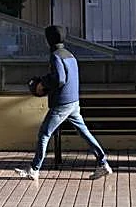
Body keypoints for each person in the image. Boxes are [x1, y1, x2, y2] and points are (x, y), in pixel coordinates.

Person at [15, 25, 112, 183]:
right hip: (74, 102)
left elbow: (60, 78)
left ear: (48, 40)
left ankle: (34, 169)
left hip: (62, 103)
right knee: (84, 133)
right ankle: (103, 163)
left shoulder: (55, 56)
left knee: (44, 134)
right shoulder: (69, 54)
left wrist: (43, 83)